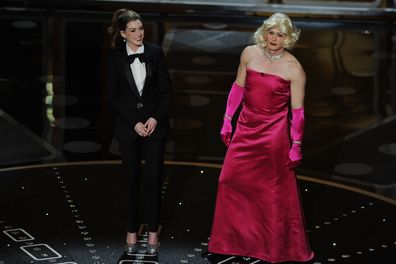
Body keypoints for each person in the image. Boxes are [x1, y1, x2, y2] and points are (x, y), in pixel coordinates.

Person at [207, 13, 314, 263]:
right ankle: (232, 242)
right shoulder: (249, 53)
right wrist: (226, 120)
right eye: (271, 32)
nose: (274, 38)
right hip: (245, 128)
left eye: (280, 34)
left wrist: (296, 144)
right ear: (264, 32)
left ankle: (269, 247)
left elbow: (297, 112)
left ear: (289, 38)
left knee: (270, 192)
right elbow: (238, 88)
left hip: (273, 135)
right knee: (228, 181)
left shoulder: (294, 69)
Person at [106, 9, 173, 256]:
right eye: (133, 30)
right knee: (131, 180)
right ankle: (132, 229)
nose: (139, 34)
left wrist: (155, 117)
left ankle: (153, 231)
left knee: (154, 179)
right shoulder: (115, 57)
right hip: (129, 128)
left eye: (141, 28)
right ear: (123, 33)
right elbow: (113, 97)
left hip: (155, 126)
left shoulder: (155, 53)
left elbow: (166, 90)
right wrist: (134, 122)